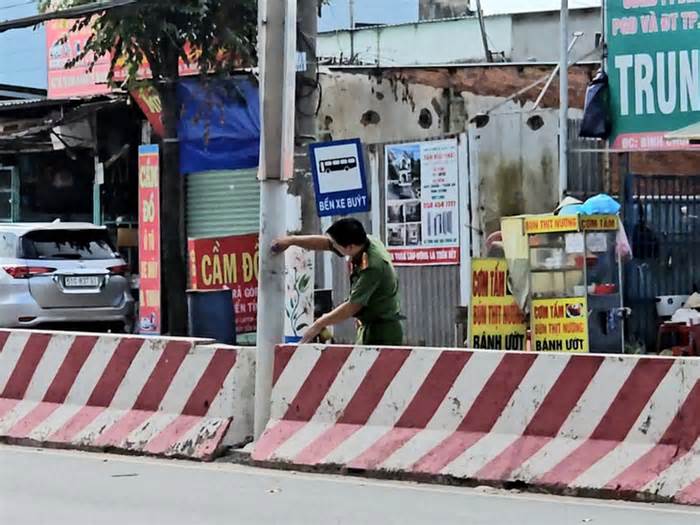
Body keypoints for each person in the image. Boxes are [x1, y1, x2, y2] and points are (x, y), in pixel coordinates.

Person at [272, 218, 403, 346]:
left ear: (350, 247)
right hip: (367, 327)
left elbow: (353, 306)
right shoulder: (364, 241)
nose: (332, 246)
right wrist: (291, 241)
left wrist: (320, 323)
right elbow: (325, 243)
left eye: (335, 245)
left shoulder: (373, 266)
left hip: (383, 332)